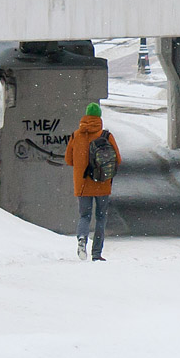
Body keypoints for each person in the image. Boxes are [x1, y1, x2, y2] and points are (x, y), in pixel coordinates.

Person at [65, 102, 121, 261]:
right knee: (101, 218)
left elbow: (68, 160)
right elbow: (118, 159)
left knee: (84, 216)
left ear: (86, 116)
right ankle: (97, 253)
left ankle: (82, 238)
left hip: (83, 184)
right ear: (99, 117)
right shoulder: (106, 136)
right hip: (102, 183)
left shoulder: (76, 135)